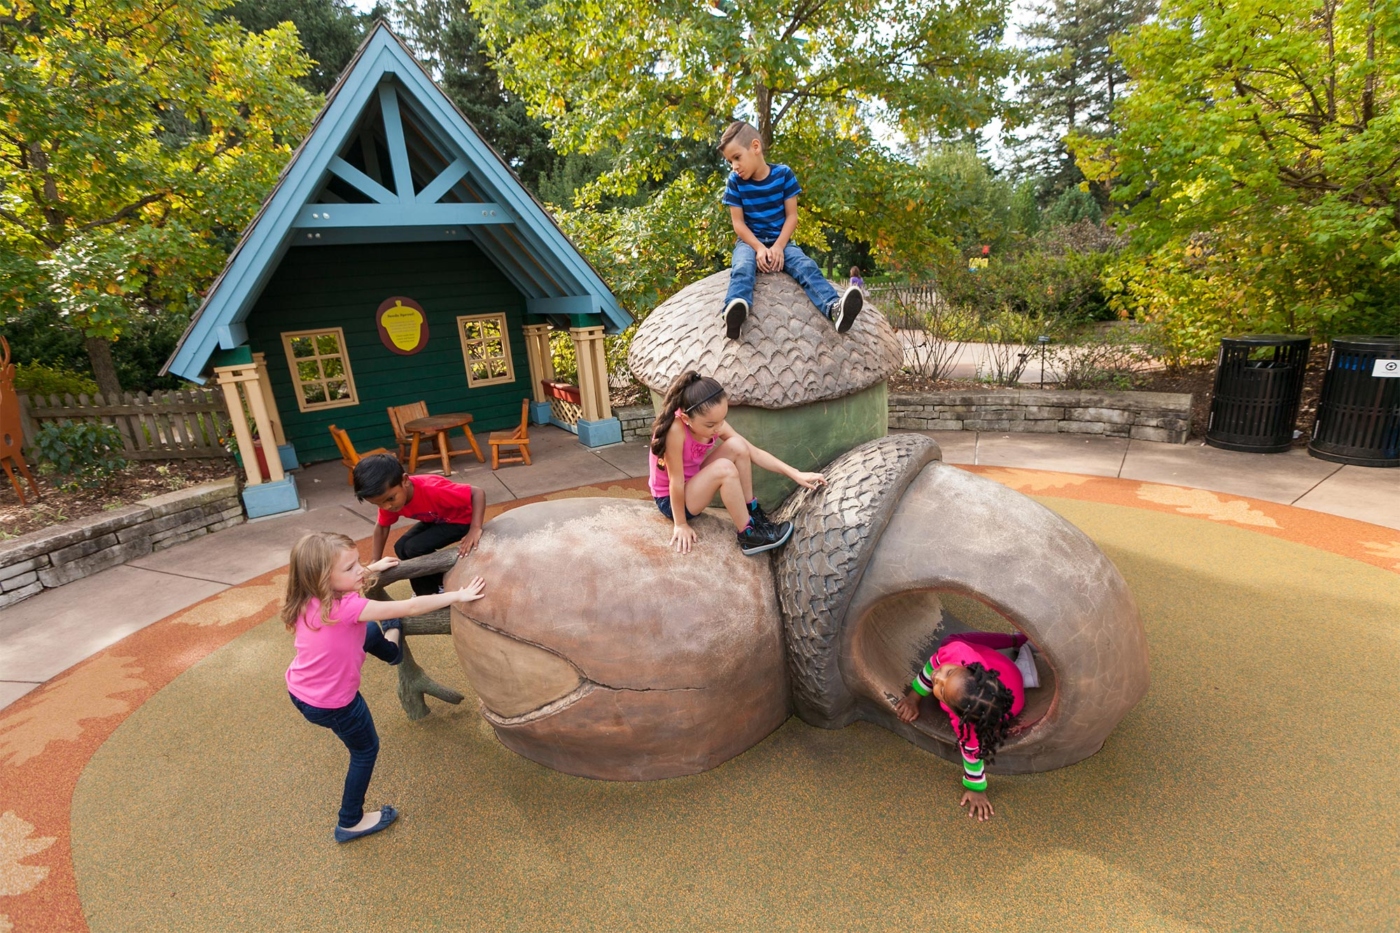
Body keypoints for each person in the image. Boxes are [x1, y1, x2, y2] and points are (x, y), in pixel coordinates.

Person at [282, 531, 485, 842]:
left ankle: (392, 651)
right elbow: (412, 607)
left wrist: (371, 568)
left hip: (300, 689)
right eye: (350, 569)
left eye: (358, 563)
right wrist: (457, 595)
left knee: (370, 634)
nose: (360, 571)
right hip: (335, 703)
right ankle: (350, 821)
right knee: (365, 751)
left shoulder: (305, 598)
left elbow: (349, 585)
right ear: (322, 579)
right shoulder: (349, 608)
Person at [649, 370, 826, 555]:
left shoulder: (714, 422)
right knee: (724, 469)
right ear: (686, 418)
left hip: (692, 483)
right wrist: (680, 524)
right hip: (671, 500)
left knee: (738, 445)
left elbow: (753, 452)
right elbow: (676, 482)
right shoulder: (675, 431)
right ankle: (748, 535)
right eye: (710, 425)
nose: (718, 428)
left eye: (722, 420)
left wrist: (795, 473)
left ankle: (752, 513)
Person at [717, 120, 863, 340]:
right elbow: (738, 224)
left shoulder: (784, 175)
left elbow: (792, 216)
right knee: (742, 267)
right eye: (730, 161)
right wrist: (758, 248)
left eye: (736, 158)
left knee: (806, 266)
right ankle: (735, 312)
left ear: (755, 147)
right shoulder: (734, 182)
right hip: (749, 242)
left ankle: (835, 308)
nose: (734, 166)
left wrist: (778, 247)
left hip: (782, 241)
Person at [894, 631, 1029, 822]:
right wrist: (913, 697)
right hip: (1005, 673)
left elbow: (972, 752)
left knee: (950, 649)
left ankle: (1014, 640)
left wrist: (976, 789)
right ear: (970, 668)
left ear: (959, 715)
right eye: (948, 673)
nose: (937, 676)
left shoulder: (966, 724)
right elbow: (933, 664)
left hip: (1010, 701)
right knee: (950, 641)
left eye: (940, 689)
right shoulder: (956, 652)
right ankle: (1013, 640)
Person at [353, 453, 484, 596]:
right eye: (377, 503)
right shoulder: (389, 501)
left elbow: (477, 493)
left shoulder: (433, 489)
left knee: (413, 548)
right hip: (437, 520)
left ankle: (435, 589)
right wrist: (375, 561)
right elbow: (382, 527)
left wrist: (475, 528)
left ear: (405, 481)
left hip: (462, 520)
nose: (387, 507)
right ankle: (426, 590)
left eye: (390, 499)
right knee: (400, 547)